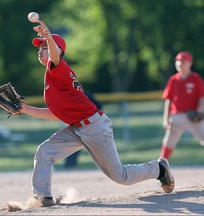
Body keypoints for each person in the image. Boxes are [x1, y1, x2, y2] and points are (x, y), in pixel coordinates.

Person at [19, 18, 175, 207]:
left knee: (121, 176)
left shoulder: (58, 68)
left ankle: (159, 168)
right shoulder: (51, 77)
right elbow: (55, 115)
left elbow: (54, 55)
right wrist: (25, 109)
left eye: (44, 46)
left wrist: (49, 37)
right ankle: (43, 197)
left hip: (94, 127)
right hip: (76, 128)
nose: (40, 50)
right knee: (44, 152)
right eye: (40, 47)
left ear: (57, 50)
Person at [159, 51, 204, 174]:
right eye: (178, 61)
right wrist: (166, 118)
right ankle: (161, 170)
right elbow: (168, 100)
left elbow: (202, 97)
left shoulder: (196, 78)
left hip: (192, 116)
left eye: (183, 61)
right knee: (168, 142)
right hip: (176, 116)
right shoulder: (173, 79)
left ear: (190, 63)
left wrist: (198, 111)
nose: (180, 63)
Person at [64, 90, 103, 168]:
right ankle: (69, 165)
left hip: (89, 125)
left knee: (75, 145)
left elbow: (99, 106)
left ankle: (69, 165)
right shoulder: (78, 94)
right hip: (81, 124)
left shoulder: (82, 94)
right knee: (74, 145)